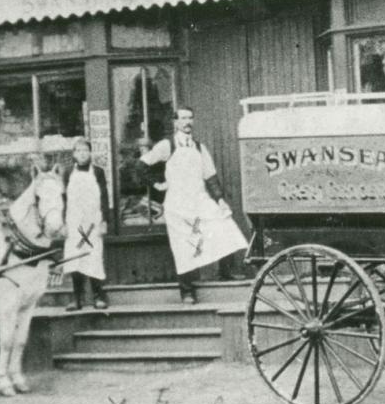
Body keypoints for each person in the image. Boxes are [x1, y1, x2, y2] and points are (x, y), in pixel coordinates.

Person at [138, 106, 248, 303]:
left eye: (190, 118)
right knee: (184, 246)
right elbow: (141, 166)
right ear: (175, 122)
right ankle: (187, 291)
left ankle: (225, 272)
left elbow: (211, 177)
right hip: (178, 205)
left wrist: (220, 200)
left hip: (199, 200)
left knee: (225, 226)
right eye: (183, 118)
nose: (187, 122)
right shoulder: (167, 145)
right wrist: (157, 184)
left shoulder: (199, 147)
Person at [57, 137, 111, 310]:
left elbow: (104, 197)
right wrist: (63, 223)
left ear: (90, 153)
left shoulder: (98, 172)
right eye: (79, 151)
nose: (82, 154)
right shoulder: (67, 173)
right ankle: (77, 298)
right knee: (75, 258)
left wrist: (104, 221)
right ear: (74, 154)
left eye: (85, 150)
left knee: (94, 256)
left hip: (92, 222)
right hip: (74, 222)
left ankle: (98, 297)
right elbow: (63, 200)